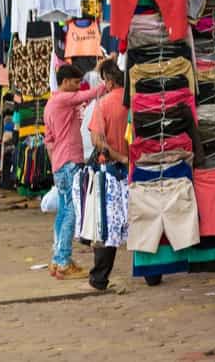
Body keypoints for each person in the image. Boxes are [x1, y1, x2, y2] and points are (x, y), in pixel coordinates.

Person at [44, 64, 105, 280]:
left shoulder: (51, 103)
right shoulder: (63, 98)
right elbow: (91, 93)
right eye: (76, 82)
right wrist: (107, 82)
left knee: (63, 211)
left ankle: (58, 258)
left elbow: (48, 140)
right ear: (66, 81)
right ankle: (62, 262)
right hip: (70, 161)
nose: (79, 86)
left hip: (60, 163)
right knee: (71, 211)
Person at [86, 58, 129, 290]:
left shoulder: (102, 105)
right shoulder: (134, 100)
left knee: (107, 225)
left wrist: (114, 154)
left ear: (110, 81)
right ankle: (153, 273)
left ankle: (99, 277)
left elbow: (97, 141)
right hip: (137, 167)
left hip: (111, 170)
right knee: (141, 220)